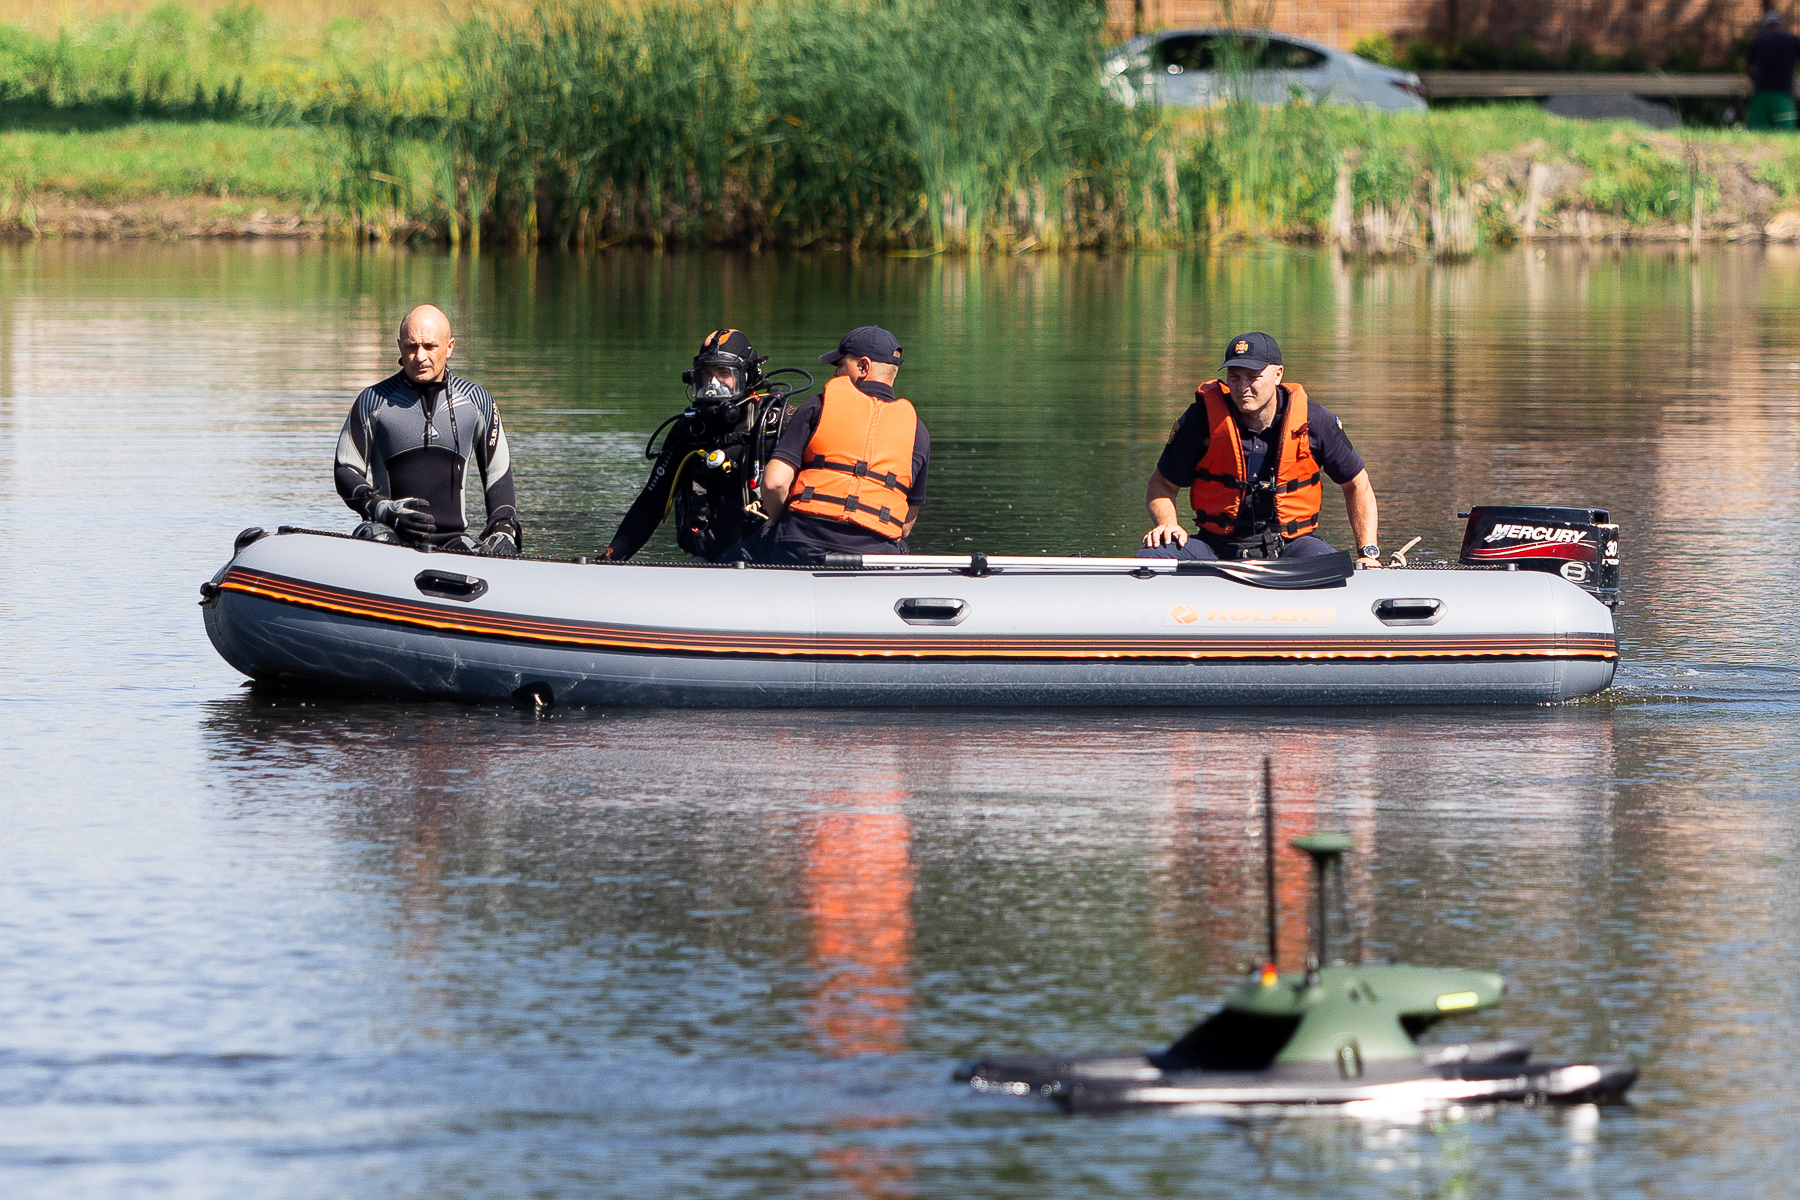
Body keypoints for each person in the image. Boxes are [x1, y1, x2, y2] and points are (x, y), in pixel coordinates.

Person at [1137, 332, 1380, 566]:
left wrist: (1368, 552)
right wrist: (1167, 523)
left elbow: (1357, 484)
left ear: (1278, 374)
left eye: (1253, 376)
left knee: (1331, 567)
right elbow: (1161, 484)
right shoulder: (1200, 421)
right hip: (1215, 547)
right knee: (1152, 557)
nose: (1242, 386)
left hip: (1292, 547)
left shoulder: (1314, 421)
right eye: (1234, 376)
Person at [334, 304, 521, 555]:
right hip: (388, 533)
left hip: (454, 540)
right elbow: (345, 470)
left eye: (430, 346)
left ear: (450, 347)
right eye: (411, 346)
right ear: (400, 346)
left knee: (498, 550)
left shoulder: (477, 402)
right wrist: (382, 509)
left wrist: (503, 527)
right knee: (377, 537)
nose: (420, 356)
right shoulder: (372, 401)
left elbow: (498, 472)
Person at [757, 326, 929, 561]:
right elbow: (905, 526)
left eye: (840, 365)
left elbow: (774, 483)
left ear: (863, 367)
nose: (836, 373)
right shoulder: (917, 431)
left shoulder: (817, 406)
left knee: (739, 549)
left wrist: (781, 523)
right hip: (876, 557)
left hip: (801, 545)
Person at [605, 328, 775, 562]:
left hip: (768, 557)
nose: (713, 384)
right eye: (706, 375)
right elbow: (651, 503)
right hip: (709, 560)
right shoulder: (689, 429)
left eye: (724, 373)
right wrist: (609, 558)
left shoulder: (775, 425)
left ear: (747, 377)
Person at [1746, 12, 1800, 132]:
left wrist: (1757, 79)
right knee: (1786, 136)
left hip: (1761, 94)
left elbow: (1749, 67)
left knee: (1756, 134)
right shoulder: (1792, 40)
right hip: (1783, 95)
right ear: (1780, 25)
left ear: (1765, 25)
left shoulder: (1758, 40)